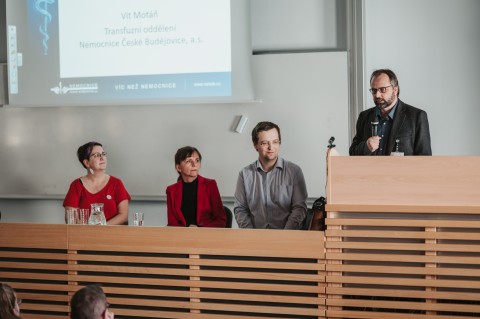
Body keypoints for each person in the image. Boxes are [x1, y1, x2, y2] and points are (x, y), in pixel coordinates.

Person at [234, 121, 308, 229]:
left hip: (287, 238)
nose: (271, 147)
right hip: (255, 238)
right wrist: (251, 235)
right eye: (265, 143)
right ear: (255, 145)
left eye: (275, 142)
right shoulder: (244, 174)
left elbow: (299, 208)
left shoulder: (294, 171)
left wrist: (285, 235)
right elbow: (240, 209)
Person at [349, 69, 432, 156]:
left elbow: (425, 159)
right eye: (374, 90)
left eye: (383, 89)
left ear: (395, 90)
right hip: (370, 169)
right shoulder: (364, 116)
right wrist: (366, 147)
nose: (377, 95)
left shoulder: (417, 117)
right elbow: (352, 152)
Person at [63, 141, 131, 225]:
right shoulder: (76, 185)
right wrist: (91, 232)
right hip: (85, 235)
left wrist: (102, 229)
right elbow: (71, 218)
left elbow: (124, 215)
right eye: (97, 155)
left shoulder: (116, 183)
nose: (102, 158)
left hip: (113, 235)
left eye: (103, 154)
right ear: (87, 163)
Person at [166, 146, 226, 227]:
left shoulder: (210, 185)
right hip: (181, 237)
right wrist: (186, 233)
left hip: (206, 236)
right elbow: (172, 223)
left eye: (197, 160)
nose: (194, 165)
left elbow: (221, 220)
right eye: (189, 161)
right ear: (178, 167)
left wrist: (199, 230)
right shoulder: (171, 190)